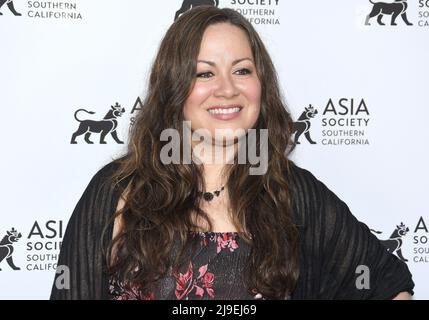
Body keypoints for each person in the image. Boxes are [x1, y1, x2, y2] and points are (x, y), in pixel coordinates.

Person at [50, 6, 414, 300]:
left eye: (242, 70)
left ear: (261, 85)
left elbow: (385, 281)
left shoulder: (290, 192)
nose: (227, 89)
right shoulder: (117, 191)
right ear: (174, 89)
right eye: (204, 74)